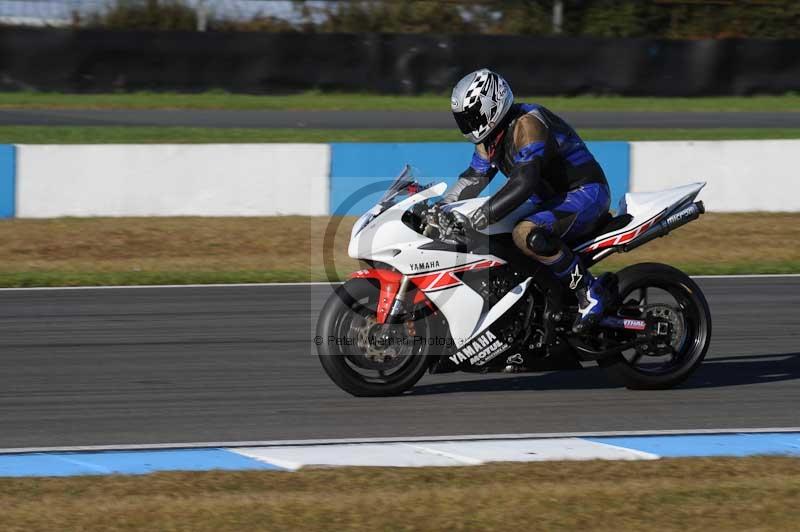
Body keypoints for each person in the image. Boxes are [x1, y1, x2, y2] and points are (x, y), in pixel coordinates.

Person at [438, 68, 611, 333]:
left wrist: (484, 213)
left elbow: (524, 181)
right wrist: (441, 208)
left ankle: (590, 292)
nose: (468, 123)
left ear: (491, 106)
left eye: (473, 115)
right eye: (463, 118)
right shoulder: (489, 141)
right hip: (552, 201)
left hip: (586, 194)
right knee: (494, 239)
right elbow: (473, 178)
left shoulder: (527, 125)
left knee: (525, 233)